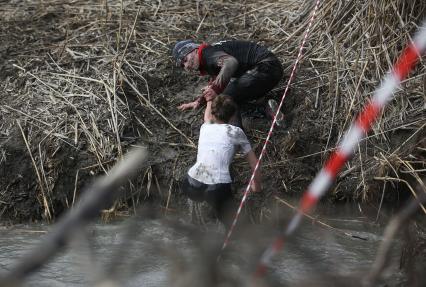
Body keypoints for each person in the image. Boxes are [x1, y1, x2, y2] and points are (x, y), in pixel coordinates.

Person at [181, 95, 261, 229]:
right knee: (234, 227)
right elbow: (254, 164)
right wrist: (257, 186)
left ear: (213, 112)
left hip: (190, 185)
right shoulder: (236, 132)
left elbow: (207, 116)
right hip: (216, 189)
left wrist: (209, 101)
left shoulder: (205, 126)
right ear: (232, 116)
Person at [172, 39, 284, 127]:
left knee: (225, 101)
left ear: (195, 50)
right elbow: (216, 82)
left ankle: (238, 140)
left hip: (266, 68)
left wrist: (215, 90)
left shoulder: (208, 54)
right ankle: (268, 110)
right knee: (226, 97)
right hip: (268, 71)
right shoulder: (209, 56)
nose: (186, 66)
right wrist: (198, 101)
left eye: (185, 59)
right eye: (183, 65)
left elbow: (231, 63)